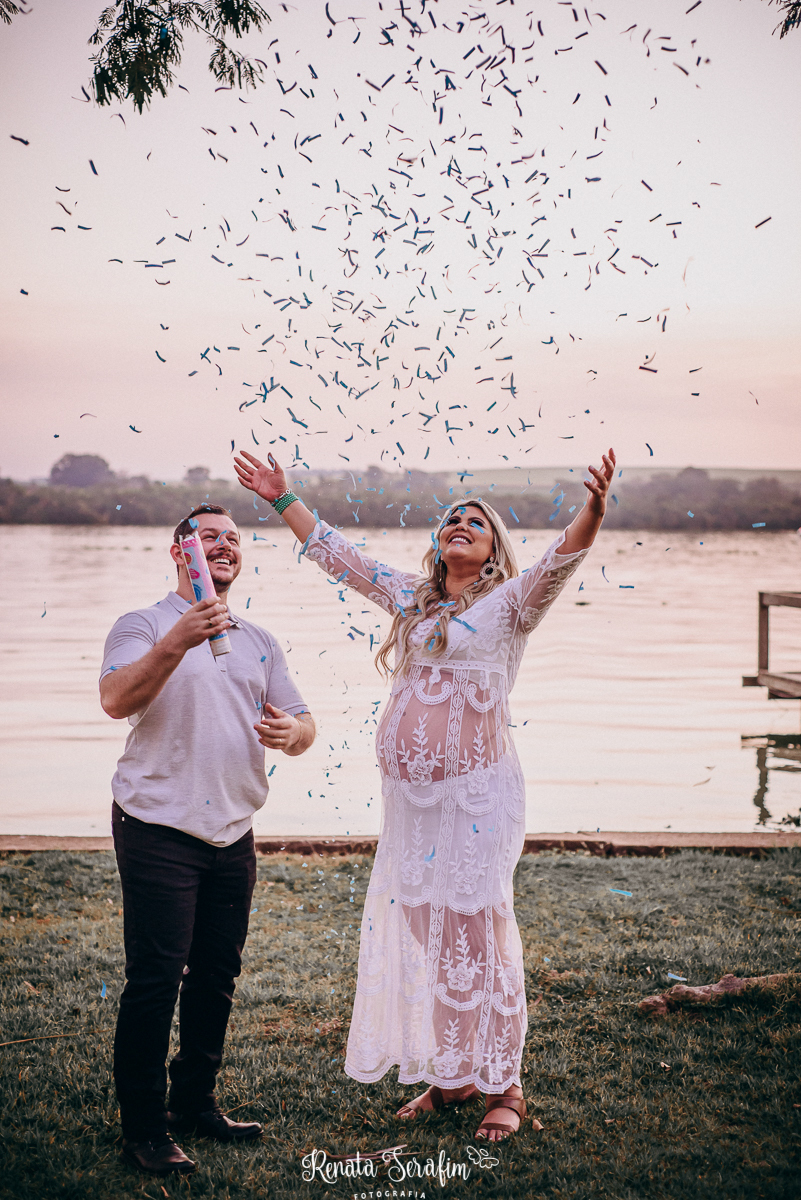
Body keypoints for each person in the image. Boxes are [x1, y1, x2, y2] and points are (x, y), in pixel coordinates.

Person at [234, 449, 615, 1141]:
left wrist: (593, 506)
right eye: (450, 518)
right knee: (424, 928)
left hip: (476, 797)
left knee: (479, 930)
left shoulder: (510, 604)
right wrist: (281, 497)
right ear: (438, 543)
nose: (459, 523)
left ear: (493, 546)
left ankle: (505, 1083)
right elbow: (336, 556)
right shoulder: (413, 597)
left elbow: (564, 556)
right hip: (409, 802)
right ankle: (452, 1073)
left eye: (474, 520)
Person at [99, 503, 316, 1175]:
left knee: (216, 976)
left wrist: (292, 736)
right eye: (206, 537)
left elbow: (304, 725)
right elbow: (115, 700)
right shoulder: (142, 625)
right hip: (158, 824)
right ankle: (143, 1128)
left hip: (233, 830)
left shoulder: (257, 639)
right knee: (156, 978)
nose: (222, 545)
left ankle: (193, 1104)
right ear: (179, 554)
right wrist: (180, 639)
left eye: (232, 538)